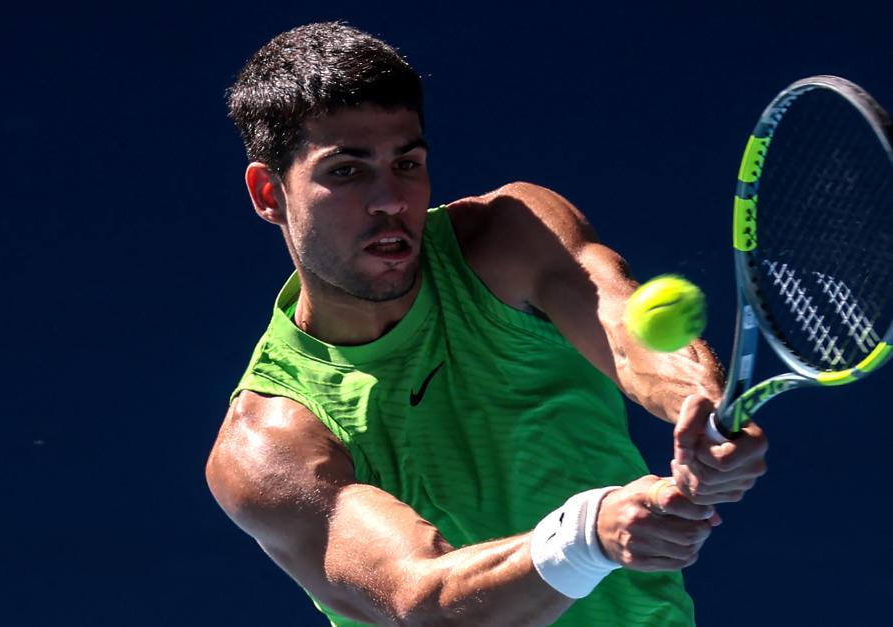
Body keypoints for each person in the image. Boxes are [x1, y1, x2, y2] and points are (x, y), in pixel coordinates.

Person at [205, 22, 768, 627]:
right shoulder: (267, 442)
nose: (391, 199)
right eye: (346, 171)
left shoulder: (509, 238)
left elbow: (626, 331)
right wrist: (588, 534)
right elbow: (418, 598)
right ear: (269, 193)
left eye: (407, 162)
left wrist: (702, 410)